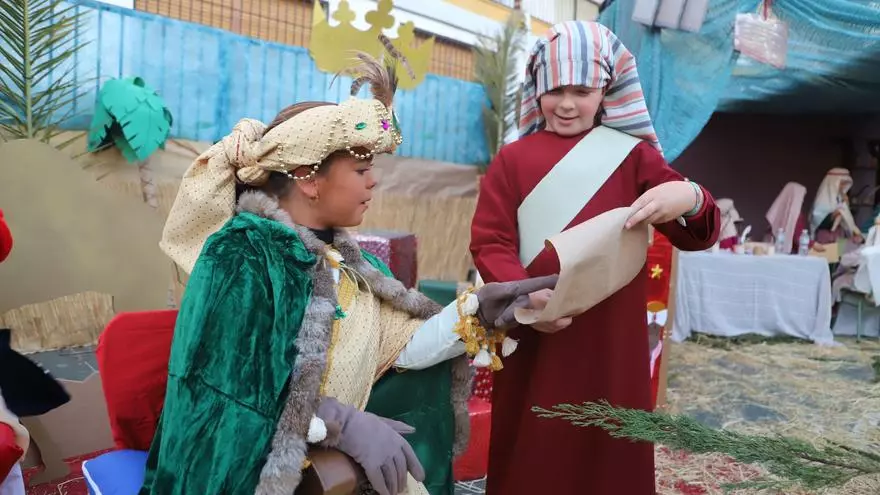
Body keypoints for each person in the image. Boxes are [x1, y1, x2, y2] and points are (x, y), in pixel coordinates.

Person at [144, 51, 557, 495]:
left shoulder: (353, 266)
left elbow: (399, 350)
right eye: (361, 169)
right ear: (307, 178)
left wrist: (479, 312)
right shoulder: (241, 255)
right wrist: (337, 422)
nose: (373, 181)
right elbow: (226, 395)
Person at [469, 21, 720, 494]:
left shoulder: (635, 158)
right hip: (536, 327)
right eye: (556, 89)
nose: (567, 103)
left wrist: (688, 196)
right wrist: (525, 298)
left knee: (610, 442)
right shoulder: (512, 159)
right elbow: (490, 241)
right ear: (537, 90)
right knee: (533, 441)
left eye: (581, 91)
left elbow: (694, 232)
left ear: (606, 90)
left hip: (612, 336)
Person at [811, 167, 863, 244]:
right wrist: (834, 215)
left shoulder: (841, 198)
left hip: (839, 236)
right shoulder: (822, 199)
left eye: (845, 184)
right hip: (825, 237)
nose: (843, 186)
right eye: (841, 183)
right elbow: (818, 222)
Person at [765, 182, 807, 254]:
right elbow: (798, 237)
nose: (802, 201)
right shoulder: (795, 214)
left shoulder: (779, 210)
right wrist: (813, 244)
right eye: (801, 197)